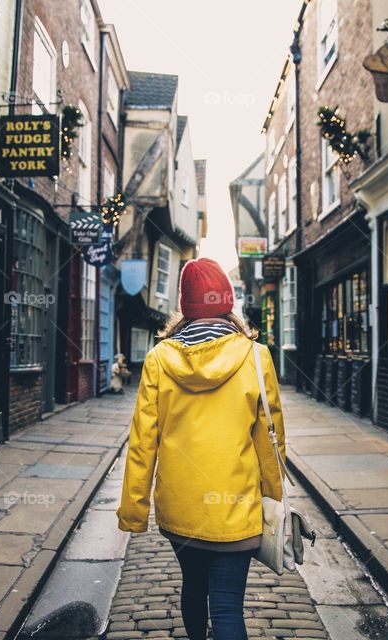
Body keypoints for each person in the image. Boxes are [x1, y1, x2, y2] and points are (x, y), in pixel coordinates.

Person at [116, 257, 285, 640]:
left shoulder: (160, 359)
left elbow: (143, 442)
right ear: (227, 304)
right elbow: (271, 440)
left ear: (185, 308)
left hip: (183, 506)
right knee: (228, 607)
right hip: (236, 506)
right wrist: (273, 497)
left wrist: (134, 510)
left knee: (193, 588)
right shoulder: (256, 358)